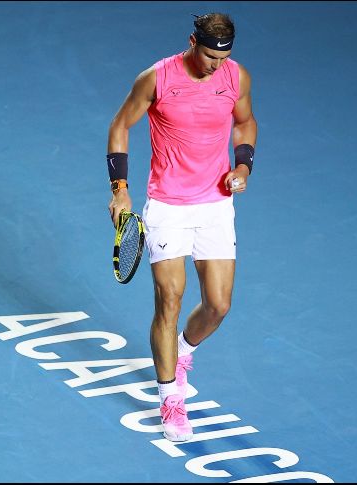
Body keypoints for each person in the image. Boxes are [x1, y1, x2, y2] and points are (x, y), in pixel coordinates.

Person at [105, 12, 257, 442]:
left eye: (222, 58)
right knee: (169, 300)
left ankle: (183, 352)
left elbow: (245, 122)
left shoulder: (235, 77)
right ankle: (170, 397)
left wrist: (242, 166)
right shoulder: (157, 78)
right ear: (193, 43)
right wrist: (120, 189)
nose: (215, 65)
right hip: (167, 207)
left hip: (215, 205)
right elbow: (120, 126)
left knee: (218, 306)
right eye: (209, 56)